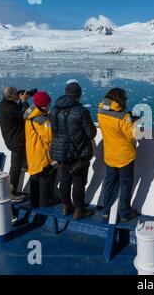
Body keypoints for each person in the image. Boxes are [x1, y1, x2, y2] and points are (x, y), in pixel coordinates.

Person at [50, 81, 97, 220]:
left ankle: (66, 207)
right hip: (78, 152)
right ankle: (79, 210)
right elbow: (91, 134)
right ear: (79, 95)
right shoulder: (81, 111)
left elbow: (54, 130)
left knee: (65, 179)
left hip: (61, 151)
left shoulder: (54, 110)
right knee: (78, 181)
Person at [97, 88, 139, 222]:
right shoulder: (124, 117)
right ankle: (125, 213)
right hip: (124, 157)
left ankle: (105, 210)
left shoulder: (100, 112)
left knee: (110, 182)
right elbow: (132, 135)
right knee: (125, 184)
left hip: (109, 155)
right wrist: (134, 122)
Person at [24, 91, 59, 208]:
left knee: (34, 176)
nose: (49, 107)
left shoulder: (30, 116)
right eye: (47, 105)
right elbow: (49, 139)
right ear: (42, 105)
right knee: (46, 177)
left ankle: (34, 201)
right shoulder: (43, 120)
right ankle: (46, 201)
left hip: (32, 152)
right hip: (42, 153)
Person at [0, 86, 30, 201]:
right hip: (16, 141)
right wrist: (24, 102)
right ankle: (11, 192)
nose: (18, 95)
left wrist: (21, 102)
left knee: (17, 165)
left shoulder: (3, 104)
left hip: (12, 139)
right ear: (11, 96)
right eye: (16, 94)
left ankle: (25, 164)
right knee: (15, 168)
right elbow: (25, 115)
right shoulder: (9, 108)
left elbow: (18, 113)